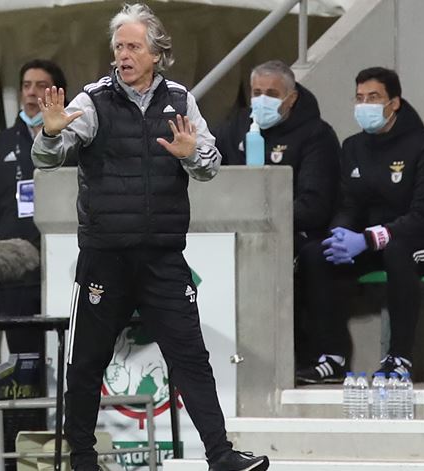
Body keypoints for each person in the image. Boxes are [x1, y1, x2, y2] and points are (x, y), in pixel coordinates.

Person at [30, 4, 269, 471]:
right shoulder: (93, 100)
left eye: (133, 46)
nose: (123, 55)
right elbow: (48, 158)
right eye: (118, 46)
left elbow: (210, 165)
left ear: (157, 53)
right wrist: (51, 135)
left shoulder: (181, 100)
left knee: (191, 358)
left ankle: (219, 455)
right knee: (85, 364)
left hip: (162, 257)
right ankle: (81, 460)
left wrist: (190, 153)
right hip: (105, 259)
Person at [294, 67, 424, 384]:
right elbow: (349, 203)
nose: (365, 104)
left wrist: (371, 239)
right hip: (376, 240)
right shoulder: (353, 147)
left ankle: (399, 358)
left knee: (399, 251)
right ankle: (331, 357)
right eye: (359, 98)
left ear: (395, 102)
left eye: (373, 97)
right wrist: (341, 233)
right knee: (316, 254)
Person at [0, 59, 70, 357]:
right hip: (16, 275)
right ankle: (26, 406)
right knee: (22, 364)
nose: (30, 93)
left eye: (40, 86)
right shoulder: (2, 143)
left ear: (56, 93)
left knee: (62, 358)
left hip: (63, 268)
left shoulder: (73, 139)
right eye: (26, 86)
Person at [213, 60, 340, 253]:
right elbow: (207, 162)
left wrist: (263, 216)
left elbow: (314, 205)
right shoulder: (237, 126)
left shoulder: (316, 135)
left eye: (272, 94)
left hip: (293, 234)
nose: (263, 100)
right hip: (236, 230)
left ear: (291, 98)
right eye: (257, 93)